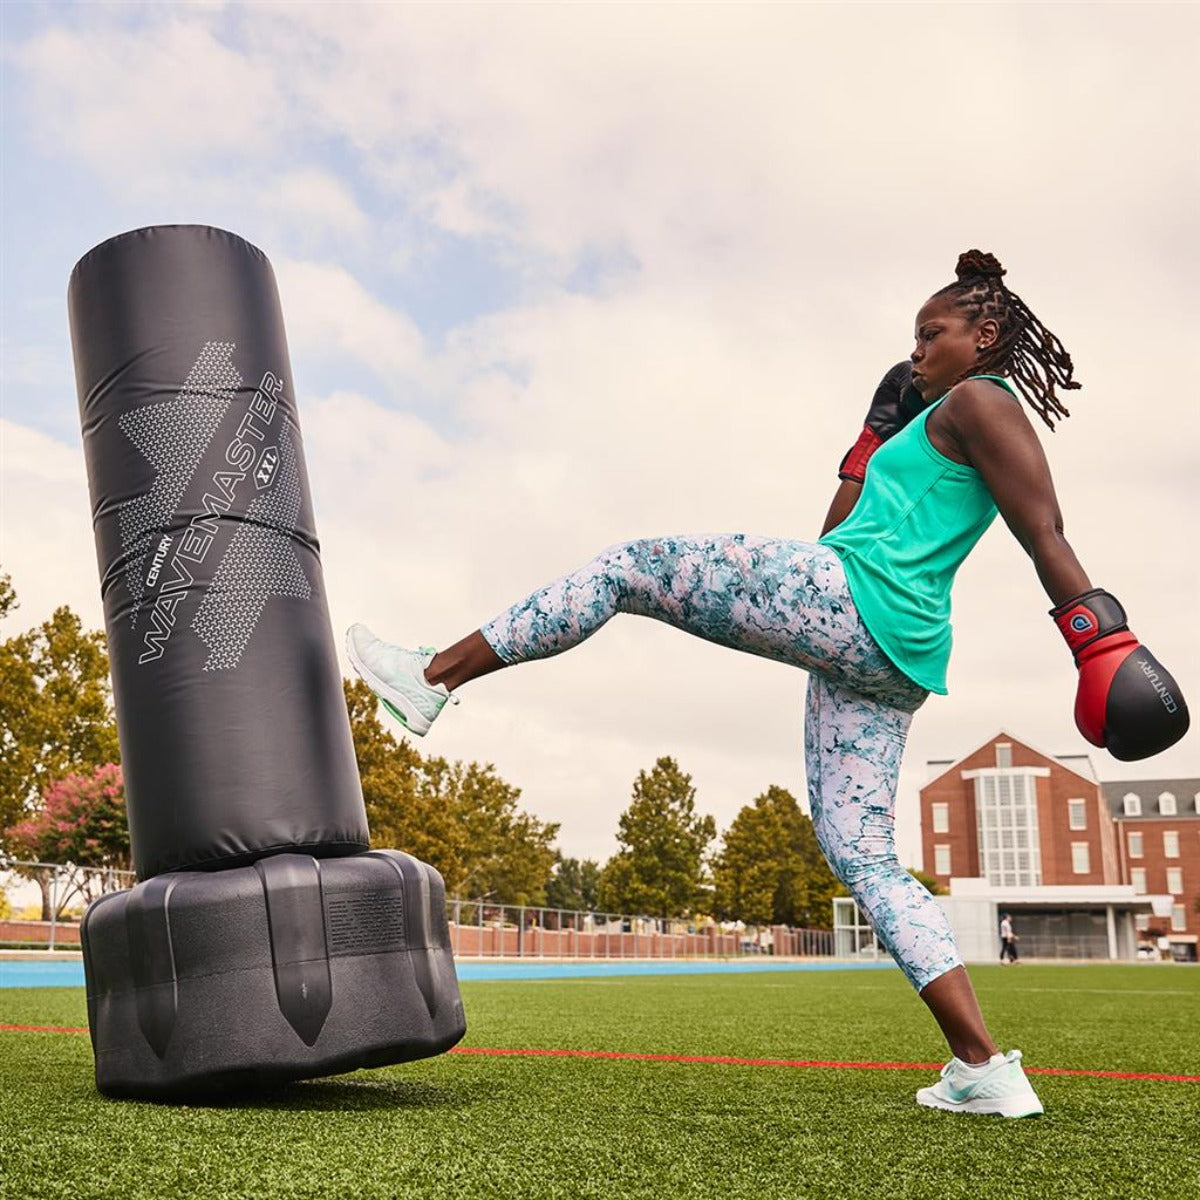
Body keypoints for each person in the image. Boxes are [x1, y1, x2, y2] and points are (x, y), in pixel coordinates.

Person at [348, 250, 1188, 1118]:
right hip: (887, 652)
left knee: (629, 567)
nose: (916, 351)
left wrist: (1102, 642)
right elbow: (835, 536)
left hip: (858, 604)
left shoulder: (983, 400)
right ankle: (983, 1067)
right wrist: (868, 443)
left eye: (931, 333)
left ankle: (433, 677)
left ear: (985, 334)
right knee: (866, 859)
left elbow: (1044, 531)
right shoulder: (932, 420)